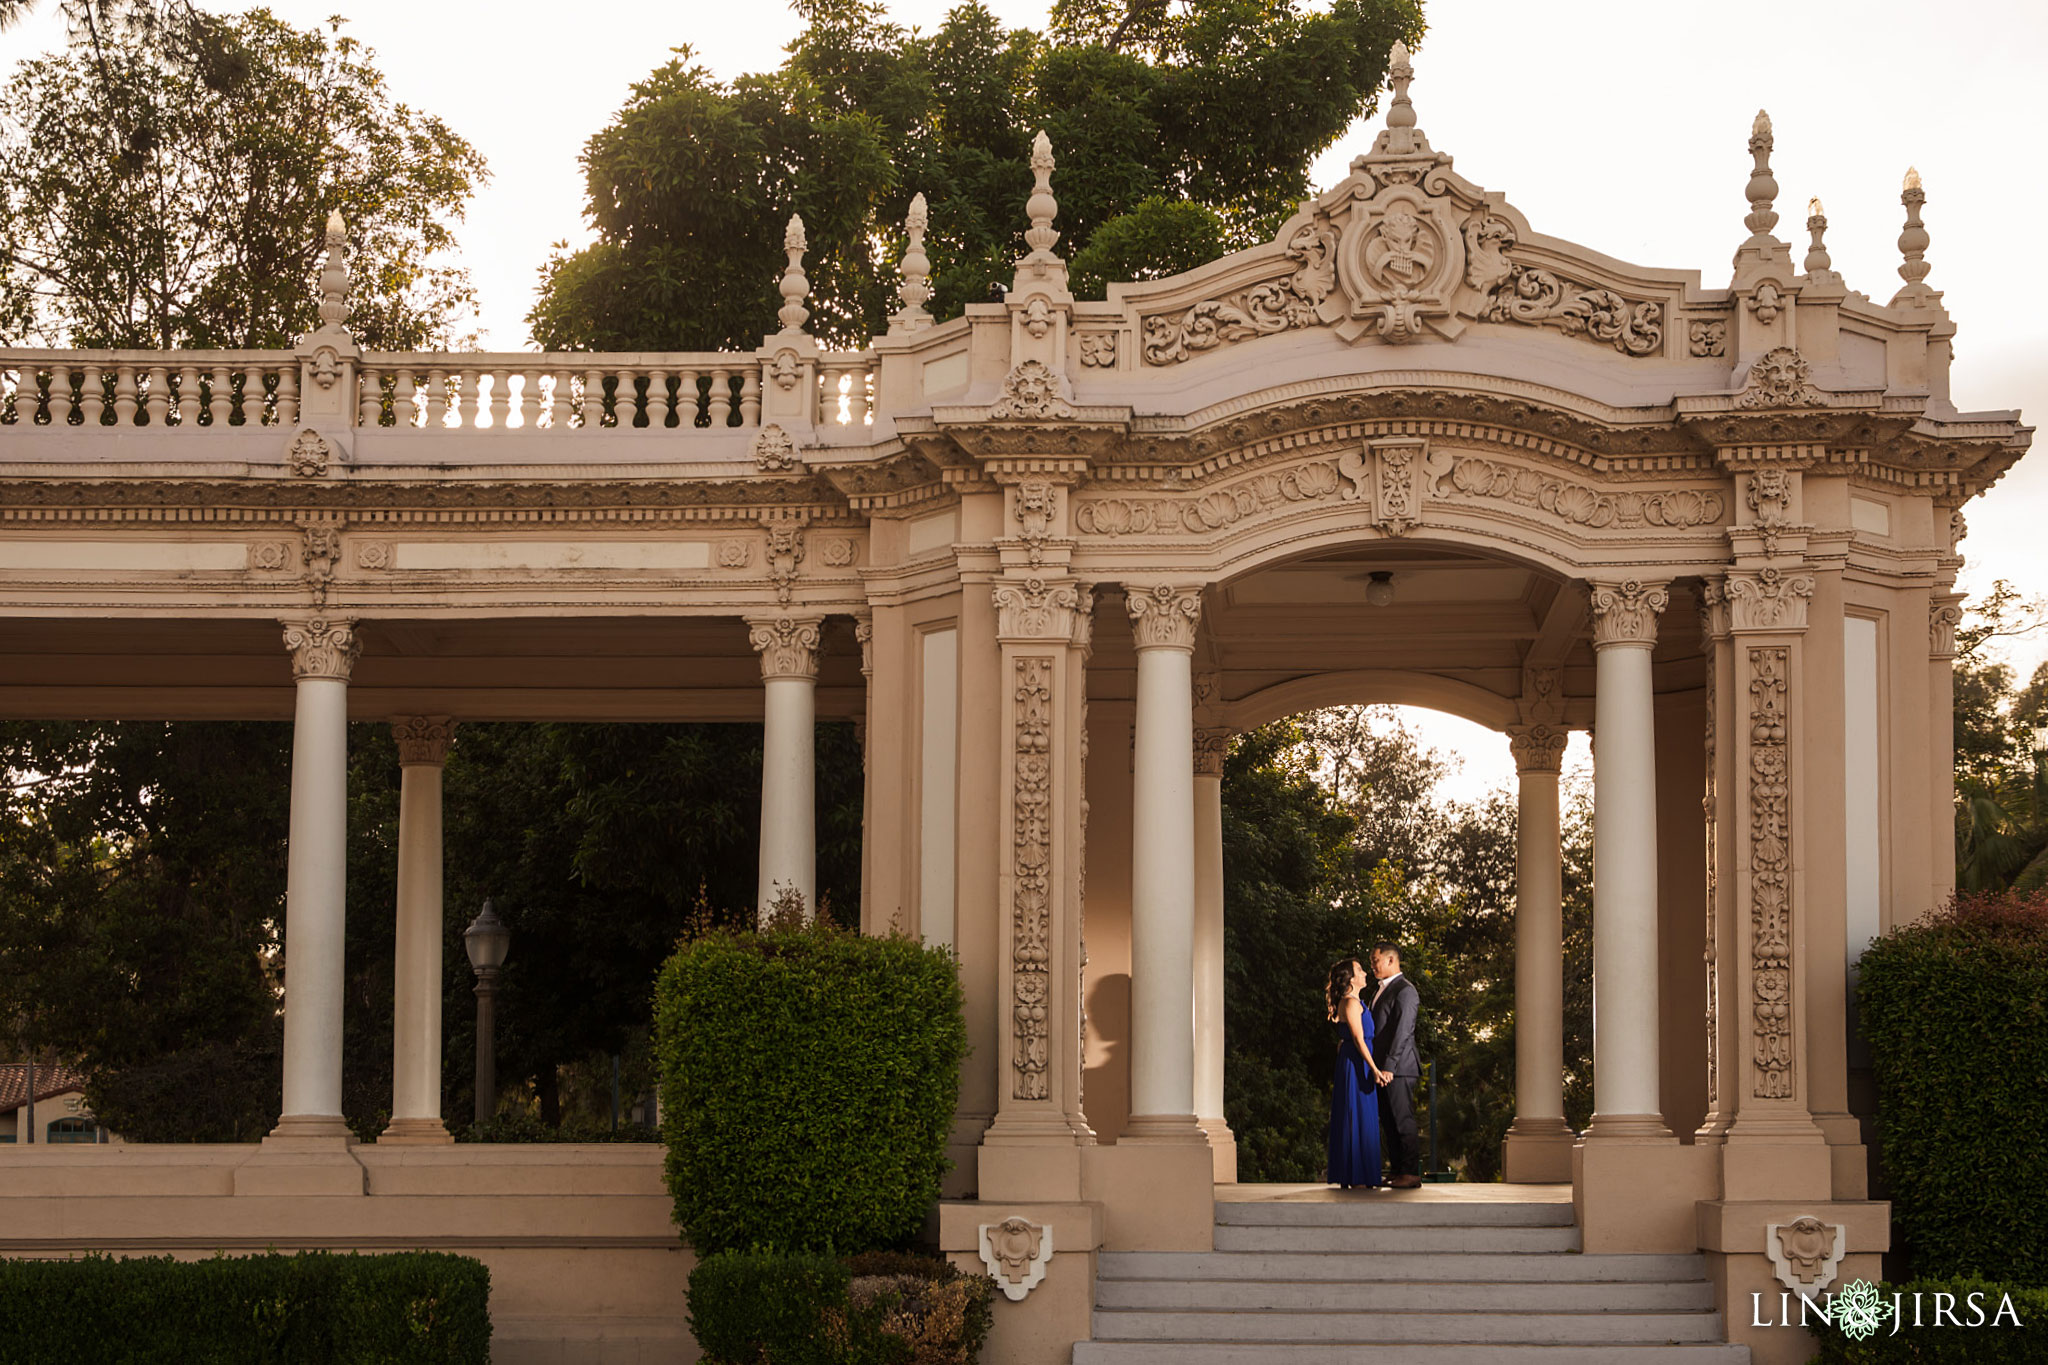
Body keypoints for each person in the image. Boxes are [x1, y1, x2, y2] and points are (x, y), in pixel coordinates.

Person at [1325, 957, 1389, 1189]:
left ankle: (1362, 1174)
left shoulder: (1357, 1002)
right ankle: (1356, 1175)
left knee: (1366, 1116)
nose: (1365, 973)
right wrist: (1374, 1069)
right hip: (1356, 1065)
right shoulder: (1350, 1003)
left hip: (1358, 1060)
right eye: (1360, 970)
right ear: (1351, 978)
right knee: (1356, 1115)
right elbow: (1357, 1039)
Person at [1368, 942, 1423, 1188]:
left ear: (1391, 960)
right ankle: (1398, 1170)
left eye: (1375, 960)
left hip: (1399, 1068)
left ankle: (1410, 1173)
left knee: (1403, 1120)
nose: (1372, 966)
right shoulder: (1379, 990)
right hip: (1382, 1068)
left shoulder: (1405, 990)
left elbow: (1403, 1031)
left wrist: (1389, 1065)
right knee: (1388, 1121)